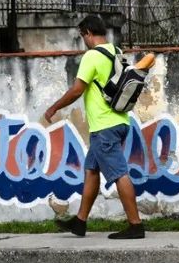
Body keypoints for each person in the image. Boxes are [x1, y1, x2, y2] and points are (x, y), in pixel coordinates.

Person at [44, 15, 144, 239]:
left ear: (88, 32)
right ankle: (80, 222)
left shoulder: (92, 56)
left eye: (82, 36)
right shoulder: (115, 52)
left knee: (119, 173)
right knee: (91, 170)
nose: (83, 40)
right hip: (119, 121)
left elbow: (77, 90)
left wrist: (53, 108)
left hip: (104, 126)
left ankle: (136, 225)